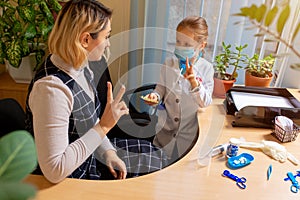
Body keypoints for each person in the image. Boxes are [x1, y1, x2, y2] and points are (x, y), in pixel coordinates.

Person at [25, 0, 167, 184]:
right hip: (71, 180)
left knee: (155, 156)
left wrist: (109, 153)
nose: (108, 44)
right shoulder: (51, 90)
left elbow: (89, 123)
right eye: (106, 36)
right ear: (85, 40)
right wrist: (104, 127)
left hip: (89, 158)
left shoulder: (81, 67)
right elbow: (54, 170)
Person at [144, 16, 214, 163]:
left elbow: (205, 102)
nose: (181, 46)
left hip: (188, 137)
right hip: (164, 133)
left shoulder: (206, 69)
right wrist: (155, 97)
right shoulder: (168, 64)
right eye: (178, 41)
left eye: (187, 44)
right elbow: (160, 89)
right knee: (159, 168)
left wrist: (193, 81)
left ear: (201, 46)